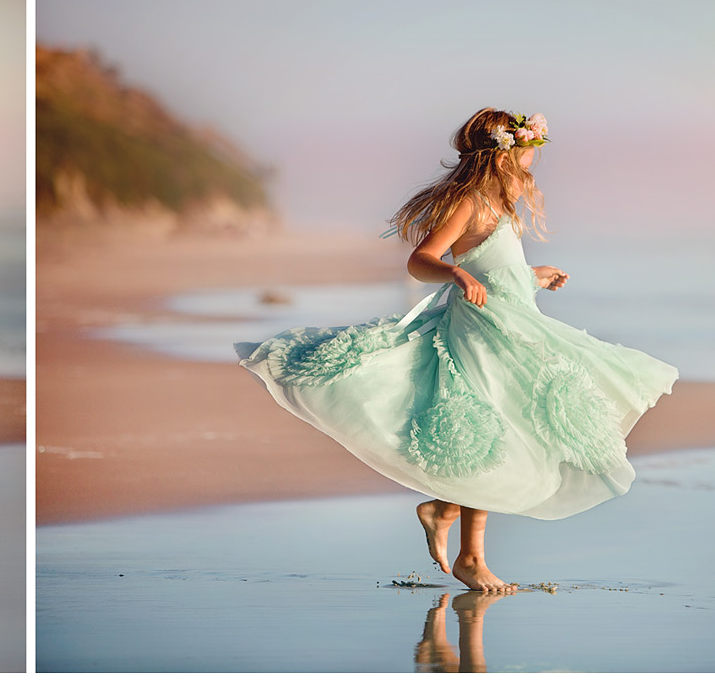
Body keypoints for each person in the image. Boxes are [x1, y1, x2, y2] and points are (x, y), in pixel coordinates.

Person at [239, 110, 676, 595]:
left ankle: (444, 510)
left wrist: (536, 275)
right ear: (502, 155)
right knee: (492, 424)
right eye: (527, 158)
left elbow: (499, 273)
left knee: (507, 426)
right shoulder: (468, 203)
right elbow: (420, 261)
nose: (531, 169)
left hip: (511, 326)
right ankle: (469, 555)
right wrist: (456, 274)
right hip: (478, 331)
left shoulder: (501, 207)